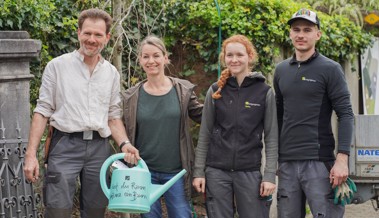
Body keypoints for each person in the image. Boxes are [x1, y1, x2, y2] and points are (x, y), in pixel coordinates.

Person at [23, 8, 140, 218]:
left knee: (95, 211)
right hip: (64, 146)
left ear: (107, 37)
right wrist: (31, 155)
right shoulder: (57, 67)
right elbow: (42, 112)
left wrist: (125, 144)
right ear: (78, 33)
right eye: (87, 33)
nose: (91, 39)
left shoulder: (111, 73)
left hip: (99, 150)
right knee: (57, 210)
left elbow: (113, 116)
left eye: (97, 34)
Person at [273, 8, 354, 218]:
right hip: (287, 163)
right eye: (296, 29)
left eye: (307, 30)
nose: (301, 34)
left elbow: (345, 114)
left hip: (319, 162)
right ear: (290, 34)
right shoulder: (281, 70)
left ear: (317, 34)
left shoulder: (330, 69)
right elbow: (278, 116)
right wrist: (275, 158)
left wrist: (342, 159)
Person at [192, 34, 278, 218]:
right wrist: (199, 171)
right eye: (229, 55)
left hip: (249, 172)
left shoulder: (264, 92)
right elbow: (205, 133)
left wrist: (270, 175)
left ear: (250, 56)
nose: (234, 59)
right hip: (217, 173)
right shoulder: (215, 91)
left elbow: (271, 137)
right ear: (224, 58)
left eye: (239, 55)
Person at [121, 35, 203, 218]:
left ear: (166, 58)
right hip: (144, 173)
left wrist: (222, 99)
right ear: (140, 60)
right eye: (146, 57)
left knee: (182, 215)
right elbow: (118, 127)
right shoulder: (131, 97)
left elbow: (205, 117)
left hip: (176, 173)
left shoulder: (183, 91)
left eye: (156, 55)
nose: (151, 61)